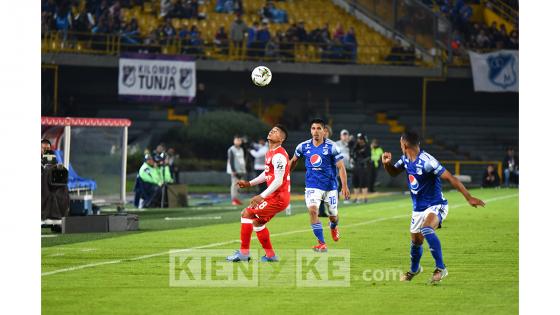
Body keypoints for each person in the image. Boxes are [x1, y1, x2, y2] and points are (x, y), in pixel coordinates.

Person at [382, 130, 485, 284]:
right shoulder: (405, 159)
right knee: (416, 241)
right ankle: (414, 270)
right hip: (418, 208)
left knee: (426, 229)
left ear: (404, 144)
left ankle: (441, 268)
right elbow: (394, 172)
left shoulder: (427, 161)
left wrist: (468, 197)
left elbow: (450, 177)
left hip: (436, 205)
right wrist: (387, 164)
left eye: (400, 143)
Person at [226, 124, 290, 262]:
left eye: (277, 131)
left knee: (246, 213)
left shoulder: (279, 156)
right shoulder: (270, 152)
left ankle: (243, 253)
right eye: (272, 130)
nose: (272, 131)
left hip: (278, 197)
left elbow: (278, 181)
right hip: (275, 196)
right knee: (257, 223)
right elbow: (266, 174)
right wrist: (249, 183)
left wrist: (262, 196)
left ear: (281, 139)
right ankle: (271, 256)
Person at [289, 119, 351, 252]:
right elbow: (293, 161)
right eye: (313, 128)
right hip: (312, 185)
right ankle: (322, 243)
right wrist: (285, 174)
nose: (315, 131)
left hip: (330, 186)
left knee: (333, 216)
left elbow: (341, 167)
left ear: (324, 131)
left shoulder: (332, 147)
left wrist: (344, 186)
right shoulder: (303, 146)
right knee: (312, 210)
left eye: (318, 128)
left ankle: (333, 226)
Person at [227, 136, 247, 205]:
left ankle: (237, 199)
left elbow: (242, 160)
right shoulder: (231, 149)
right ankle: (234, 200)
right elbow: (231, 161)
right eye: (236, 140)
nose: (238, 141)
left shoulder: (241, 149)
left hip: (241, 170)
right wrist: (233, 171)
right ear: (234, 141)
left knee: (239, 186)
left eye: (239, 140)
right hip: (234, 171)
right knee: (234, 185)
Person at [351, 133, 370, 203]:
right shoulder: (356, 146)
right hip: (356, 166)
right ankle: (356, 198)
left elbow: (369, 157)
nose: (359, 140)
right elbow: (352, 153)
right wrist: (353, 158)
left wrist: (363, 161)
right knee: (355, 182)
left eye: (361, 139)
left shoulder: (367, 147)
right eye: (359, 139)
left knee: (363, 182)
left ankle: (365, 198)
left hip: (363, 167)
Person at [335, 130, 353, 202]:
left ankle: (346, 198)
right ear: (341, 136)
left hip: (349, 167)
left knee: (348, 183)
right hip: (339, 167)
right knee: (337, 183)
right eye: (343, 135)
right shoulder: (336, 144)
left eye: (346, 135)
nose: (345, 136)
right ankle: (336, 198)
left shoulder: (351, 144)